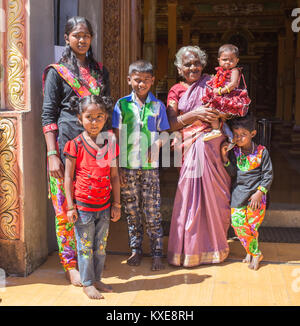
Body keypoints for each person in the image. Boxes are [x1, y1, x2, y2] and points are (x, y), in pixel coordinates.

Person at [41, 16, 110, 286]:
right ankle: (70, 264)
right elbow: (48, 114)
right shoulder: (57, 72)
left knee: (94, 205)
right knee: (65, 208)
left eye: (86, 36)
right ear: (67, 38)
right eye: (76, 35)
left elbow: (106, 109)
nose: (82, 40)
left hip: (97, 149)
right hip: (66, 146)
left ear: (91, 38)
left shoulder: (100, 71)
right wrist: (52, 154)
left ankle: (91, 261)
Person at [167, 45, 231, 267]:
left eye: (196, 63)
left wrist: (218, 114)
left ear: (203, 64)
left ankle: (215, 247)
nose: (192, 67)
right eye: (187, 64)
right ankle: (189, 249)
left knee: (216, 197)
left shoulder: (213, 83)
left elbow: (228, 108)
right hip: (188, 146)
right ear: (179, 68)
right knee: (190, 199)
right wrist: (195, 114)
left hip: (212, 145)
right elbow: (171, 123)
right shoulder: (175, 90)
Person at [112, 60, 170, 271]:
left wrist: (155, 145)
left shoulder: (158, 106)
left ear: (152, 80)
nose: (141, 84)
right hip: (127, 166)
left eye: (146, 80)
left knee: (152, 210)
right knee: (132, 210)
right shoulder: (122, 105)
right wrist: (117, 166)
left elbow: (164, 133)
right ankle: (136, 249)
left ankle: (156, 252)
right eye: (137, 80)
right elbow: (116, 137)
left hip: (150, 168)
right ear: (129, 80)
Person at [64, 95, 121, 299]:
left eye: (99, 117)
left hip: (104, 205)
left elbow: (114, 176)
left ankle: (97, 278)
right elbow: (68, 178)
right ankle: (87, 283)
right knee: (85, 246)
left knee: (101, 246)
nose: (94, 122)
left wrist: (117, 204)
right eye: (89, 117)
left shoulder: (110, 143)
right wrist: (70, 207)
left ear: (106, 118)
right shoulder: (75, 145)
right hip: (84, 207)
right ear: (80, 118)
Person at [221, 114, 273, 270]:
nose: (239, 138)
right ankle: (256, 253)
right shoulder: (235, 152)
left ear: (253, 134)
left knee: (251, 227)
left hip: (256, 199)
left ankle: (250, 253)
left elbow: (268, 174)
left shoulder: (262, 152)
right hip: (238, 196)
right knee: (238, 225)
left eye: (243, 135)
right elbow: (232, 173)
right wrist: (225, 158)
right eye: (236, 135)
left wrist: (259, 193)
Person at [201, 44, 251, 141]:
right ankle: (225, 133)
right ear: (219, 60)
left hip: (230, 97)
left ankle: (216, 129)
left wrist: (220, 91)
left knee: (214, 110)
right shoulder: (219, 72)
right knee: (212, 109)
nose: (228, 62)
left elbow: (233, 84)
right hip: (222, 97)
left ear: (237, 60)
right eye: (224, 60)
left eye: (231, 60)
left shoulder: (234, 70)